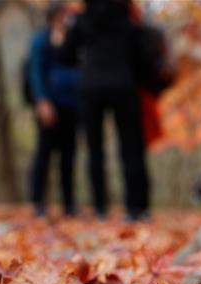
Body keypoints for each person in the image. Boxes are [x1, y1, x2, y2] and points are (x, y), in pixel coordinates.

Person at [62, 0, 152, 222]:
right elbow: (142, 60)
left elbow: (66, 55)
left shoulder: (81, 21)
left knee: (95, 150)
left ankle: (100, 207)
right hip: (124, 86)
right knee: (132, 149)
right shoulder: (128, 23)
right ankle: (136, 207)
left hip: (91, 87)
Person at [28, 1, 80, 217]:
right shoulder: (40, 41)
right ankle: (38, 202)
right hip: (49, 104)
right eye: (60, 14)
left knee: (68, 155)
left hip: (71, 104)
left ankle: (68, 204)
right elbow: (36, 72)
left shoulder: (73, 40)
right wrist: (42, 101)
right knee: (44, 154)